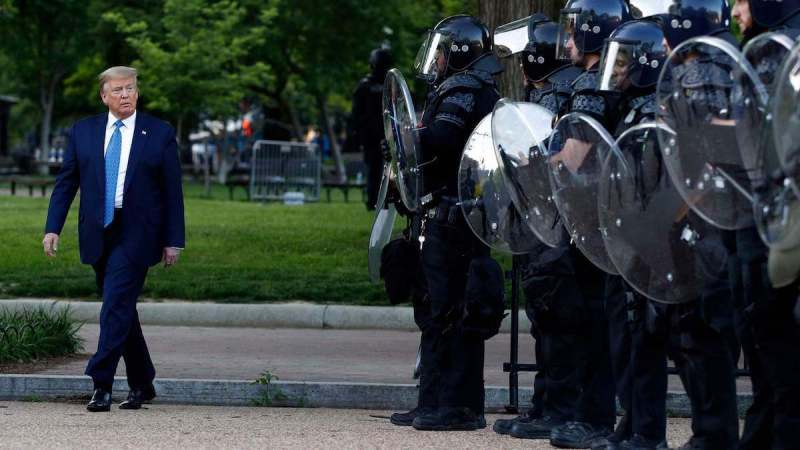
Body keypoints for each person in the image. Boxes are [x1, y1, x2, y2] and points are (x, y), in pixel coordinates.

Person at [42, 66, 185, 412]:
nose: (126, 95)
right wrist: (52, 227)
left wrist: (173, 240)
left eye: (131, 89)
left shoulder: (159, 133)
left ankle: (101, 382)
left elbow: (172, 192)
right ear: (104, 96)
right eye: (118, 90)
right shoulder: (84, 132)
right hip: (98, 231)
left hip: (138, 233)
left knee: (115, 305)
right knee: (122, 309)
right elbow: (66, 183)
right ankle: (142, 382)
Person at [389, 14, 503, 431]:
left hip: (457, 217)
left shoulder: (465, 89)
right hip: (450, 213)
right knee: (437, 310)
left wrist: (407, 134)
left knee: (453, 311)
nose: (434, 61)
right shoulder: (469, 87)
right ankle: (434, 402)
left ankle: (456, 407)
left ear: (456, 53)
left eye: (440, 52)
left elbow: (442, 139)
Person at [491, 14, 586, 441]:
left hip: (555, 222)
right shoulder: (557, 89)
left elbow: (536, 155)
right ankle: (544, 405)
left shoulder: (556, 94)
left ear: (535, 57)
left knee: (555, 318)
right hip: (550, 220)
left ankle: (556, 408)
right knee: (546, 318)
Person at [548, 1, 632, 447]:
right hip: (613, 216)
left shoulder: (591, 87)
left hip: (591, 219)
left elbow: (573, 158)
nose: (567, 40)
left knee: (594, 322)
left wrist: (539, 162)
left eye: (574, 31)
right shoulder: (620, 80)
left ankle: (593, 417)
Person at [729, 1, 800, 448]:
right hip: (767, 210)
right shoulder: (770, 47)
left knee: (775, 338)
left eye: (742, 0)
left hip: (780, 216)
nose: (736, 10)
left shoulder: (780, 52)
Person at [348, 47, 392, 210]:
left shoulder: (386, 83)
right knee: (375, 169)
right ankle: (373, 200)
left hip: (384, 133)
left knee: (384, 170)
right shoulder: (366, 85)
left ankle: (382, 199)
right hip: (373, 135)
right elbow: (356, 113)